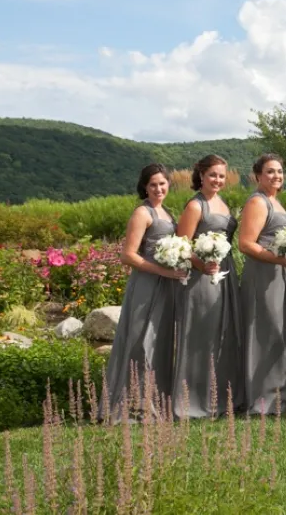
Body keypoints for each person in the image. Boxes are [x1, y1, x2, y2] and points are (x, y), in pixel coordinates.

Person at [102, 164, 187, 420]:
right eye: (153, 185)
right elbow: (127, 255)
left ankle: (155, 402)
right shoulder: (142, 212)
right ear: (144, 187)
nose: (158, 189)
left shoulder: (167, 213)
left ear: (168, 184)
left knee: (159, 342)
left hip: (167, 286)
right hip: (147, 285)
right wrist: (163, 272)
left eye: (162, 184)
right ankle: (132, 406)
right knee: (141, 342)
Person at [238, 154, 286, 415]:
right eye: (270, 172)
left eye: (279, 171)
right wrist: (280, 258)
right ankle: (264, 396)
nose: (276, 176)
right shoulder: (257, 202)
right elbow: (246, 244)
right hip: (264, 275)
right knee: (267, 331)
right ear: (257, 176)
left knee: (283, 330)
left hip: (281, 274)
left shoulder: (274, 201)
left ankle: (284, 390)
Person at [173, 154, 242, 418]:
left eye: (222, 176)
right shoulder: (195, 206)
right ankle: (193, 400)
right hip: (202, 279)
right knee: (202, 336)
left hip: (226, 273)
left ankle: (220, 397)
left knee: (223, 335)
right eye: (213, 174)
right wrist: (203, 266)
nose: (218, 180)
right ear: (201, 175)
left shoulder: (222, 203)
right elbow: (182, 245)